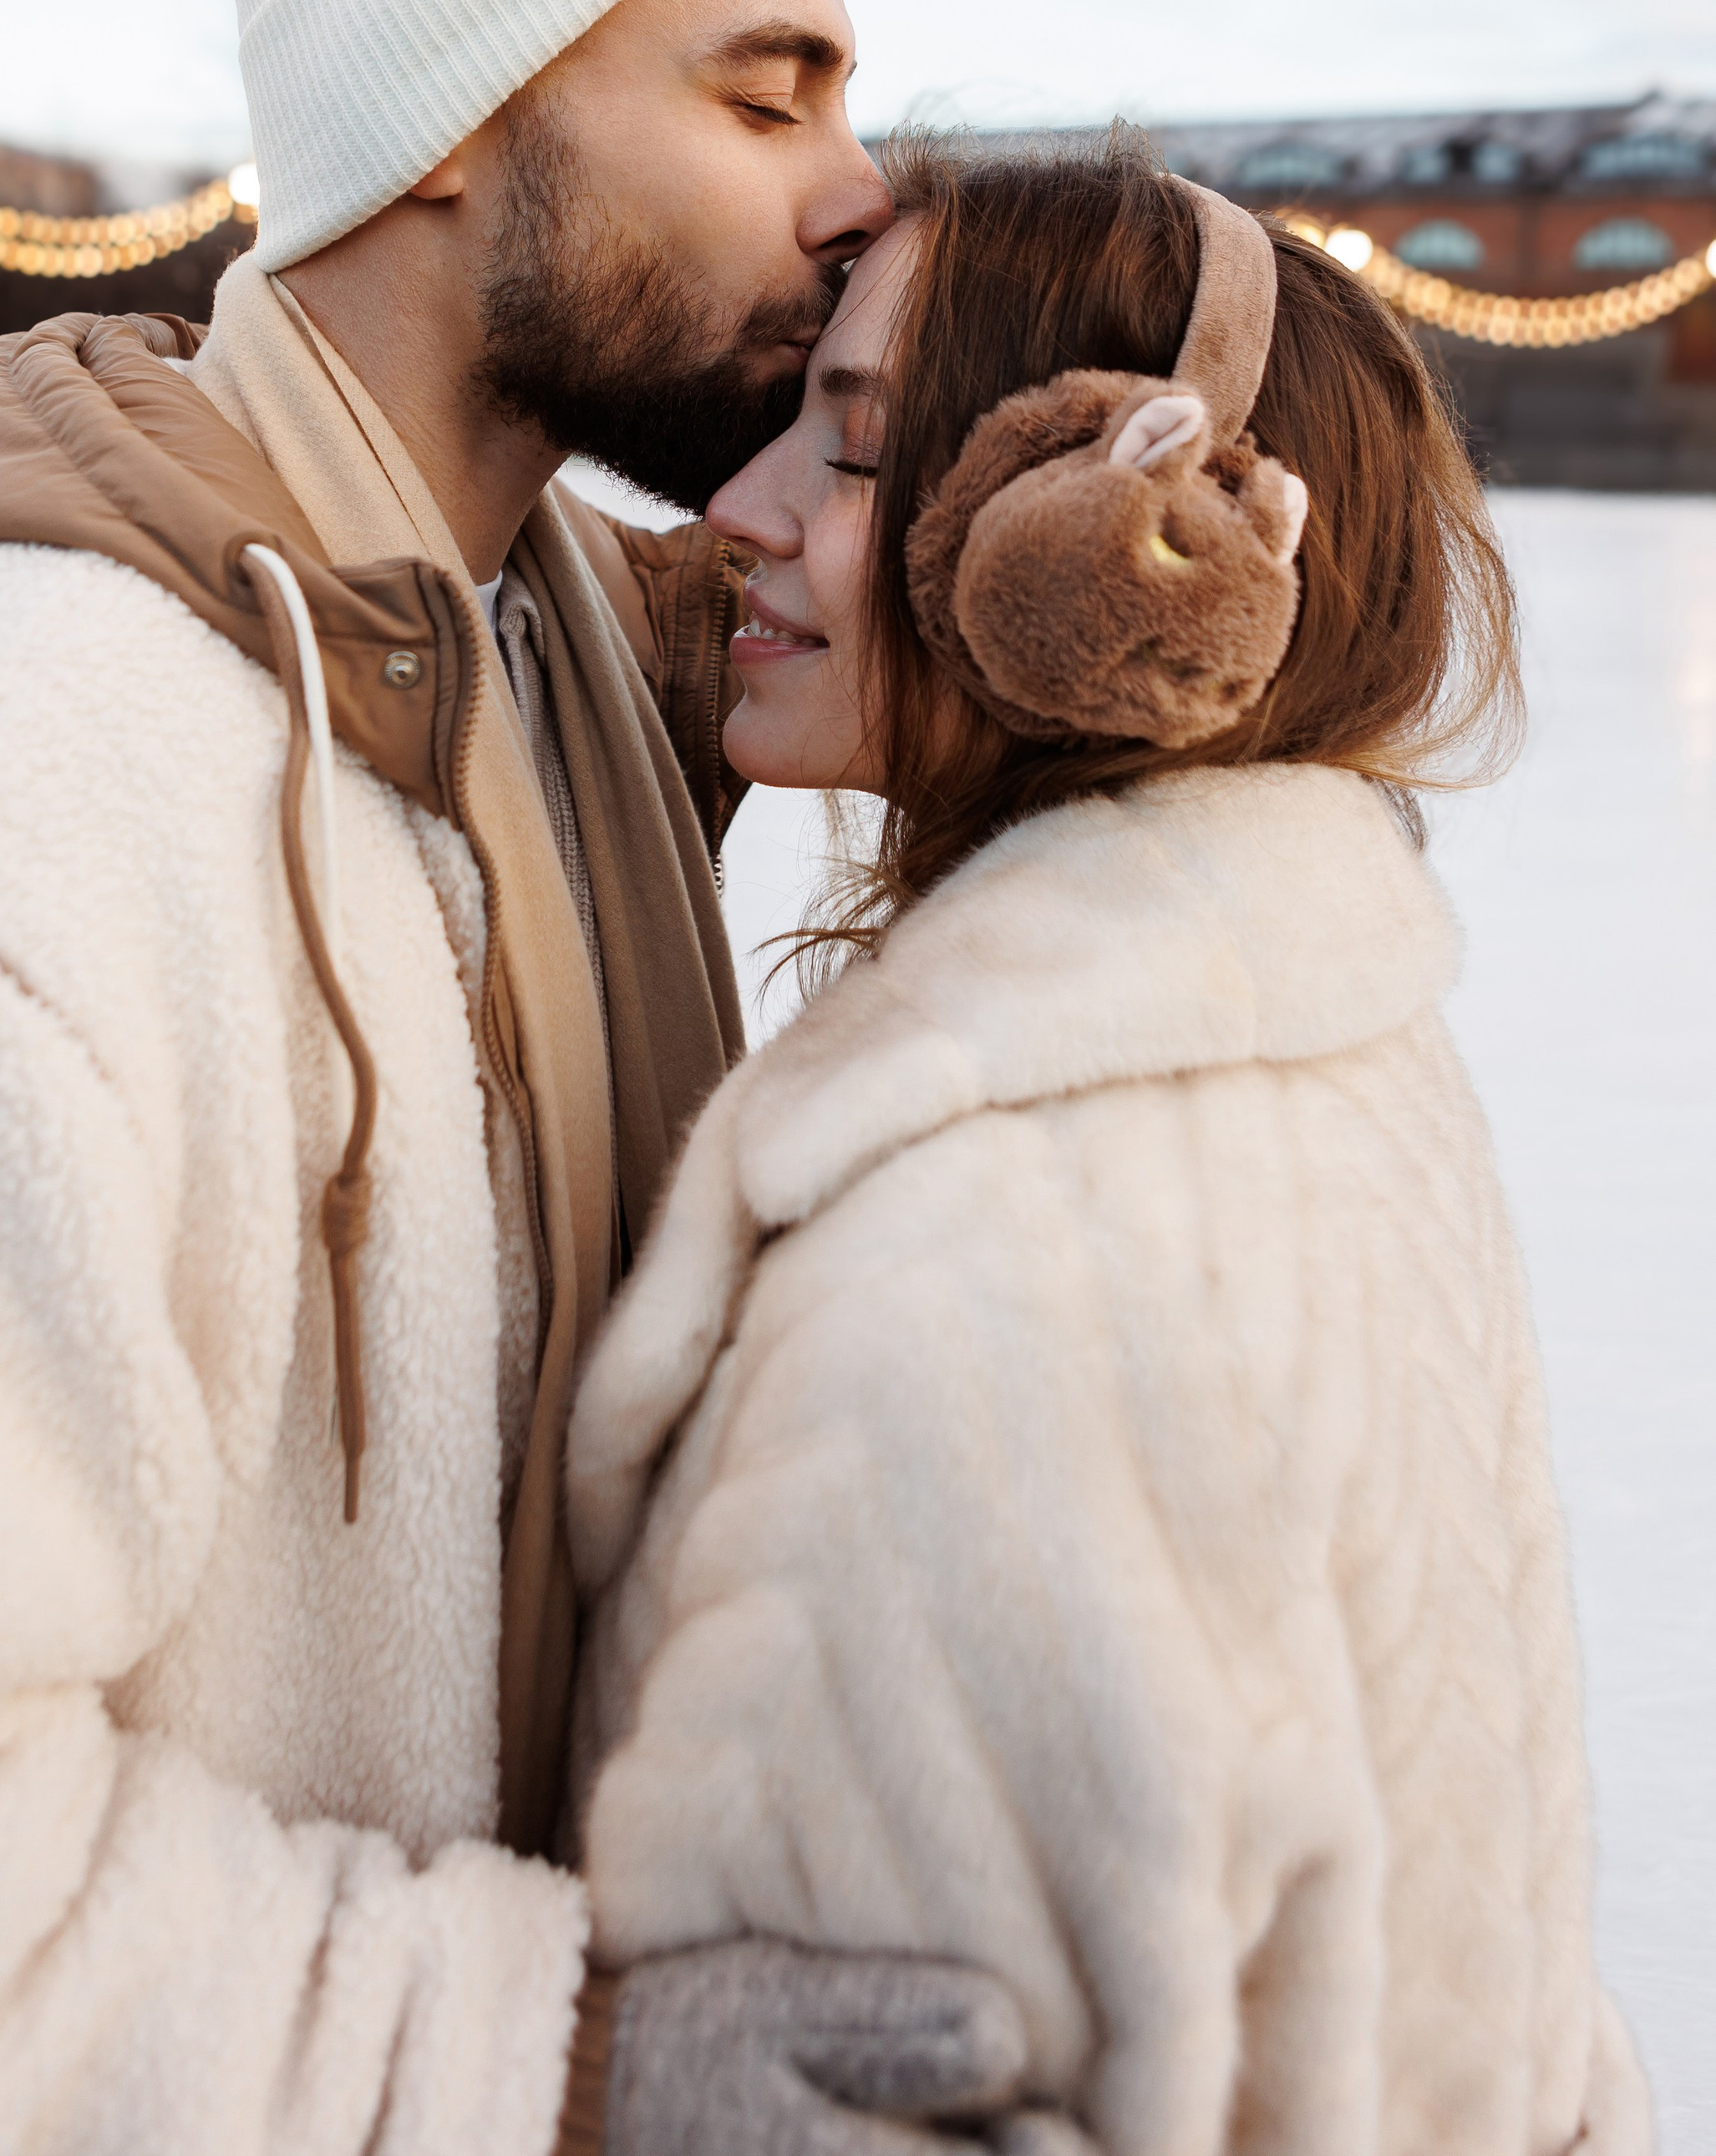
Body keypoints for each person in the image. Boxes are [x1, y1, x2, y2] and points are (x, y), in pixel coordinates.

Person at [0, 0, 1031, 2153]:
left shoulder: (545, 651)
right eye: (765, 98)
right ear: (453, 111)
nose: (858, 198)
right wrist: (517, 2066)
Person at [567, 134, 1654, 2156]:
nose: (734, 511)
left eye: (855, 448)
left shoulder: (997, 1264)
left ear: (1086, 550)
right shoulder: (1300, 1036)